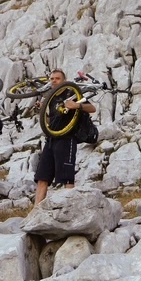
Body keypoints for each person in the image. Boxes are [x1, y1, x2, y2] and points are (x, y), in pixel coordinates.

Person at [34, 69, 96, 204]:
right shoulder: (50, 98)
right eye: (52, 79)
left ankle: (69, 208)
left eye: (57, 78)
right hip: (51, 140)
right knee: (42, 178)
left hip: (67, 139)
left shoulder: (72, 93)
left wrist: (76, 105)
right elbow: (50, 121)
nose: (54, 81)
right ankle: (35, 212)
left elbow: (92, 108)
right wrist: (42, 112)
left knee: (67, 179)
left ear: (64, 81)